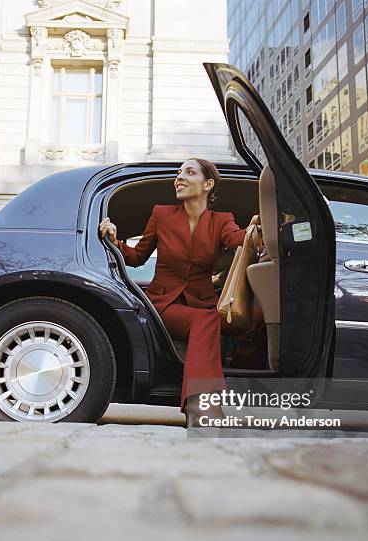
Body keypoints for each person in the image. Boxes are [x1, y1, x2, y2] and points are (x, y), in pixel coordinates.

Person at [99, 158, 261, 427]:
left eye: (189, 172)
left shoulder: (221, 220)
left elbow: (238, 240)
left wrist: (258, 226)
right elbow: (138, 256)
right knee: (205, 321)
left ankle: (248, 385)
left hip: (204, 302)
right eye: (178, 174)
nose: (179, 178)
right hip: (164, 304)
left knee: (258, 319)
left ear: (208, 184)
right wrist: (114, 241)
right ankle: (200, 403)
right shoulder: (161, 214)